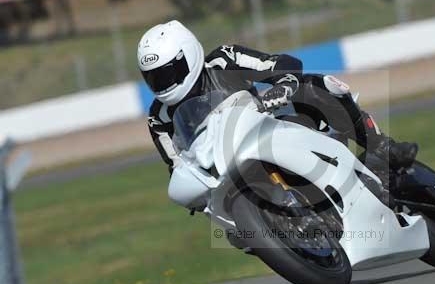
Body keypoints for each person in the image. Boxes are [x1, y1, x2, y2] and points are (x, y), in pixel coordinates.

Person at [139, 20, 418, 182]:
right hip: (229, 171)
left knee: (315, 85)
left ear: (188, 56)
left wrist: (283, 85)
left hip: (271, 129)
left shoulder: (224, 60)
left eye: (168, 74)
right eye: (154, 78)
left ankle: (381, 146)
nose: (163, 84)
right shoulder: (158, 118)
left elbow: (282, 63)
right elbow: (177, 167)